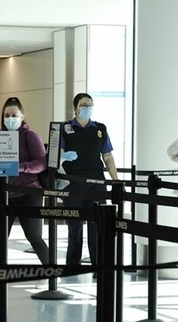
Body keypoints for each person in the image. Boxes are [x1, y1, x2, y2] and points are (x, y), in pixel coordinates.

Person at [59, 93, 118, 266]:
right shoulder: (64, 128)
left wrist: (115, 180)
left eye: (90, 104)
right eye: (84, 105)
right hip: (72, 182)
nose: (87, 108)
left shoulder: (100, 129)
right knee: (74, 226)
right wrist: (63, 157)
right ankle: (72, 265)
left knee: (97, 226)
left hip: (96, 183)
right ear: (75, 108)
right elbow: (57, 155)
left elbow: (108, 157)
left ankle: (98, 265)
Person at [0, 96, 49, 265]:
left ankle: (53, 271)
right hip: (5, 194)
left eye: (14, 115)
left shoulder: (30, 136)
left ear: (22, 116)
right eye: (7, 115)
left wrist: (18, 167)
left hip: (28, 193)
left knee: (34, 236)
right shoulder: (0, 137)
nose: (10, 119)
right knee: (0, 237)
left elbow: (41, 164)